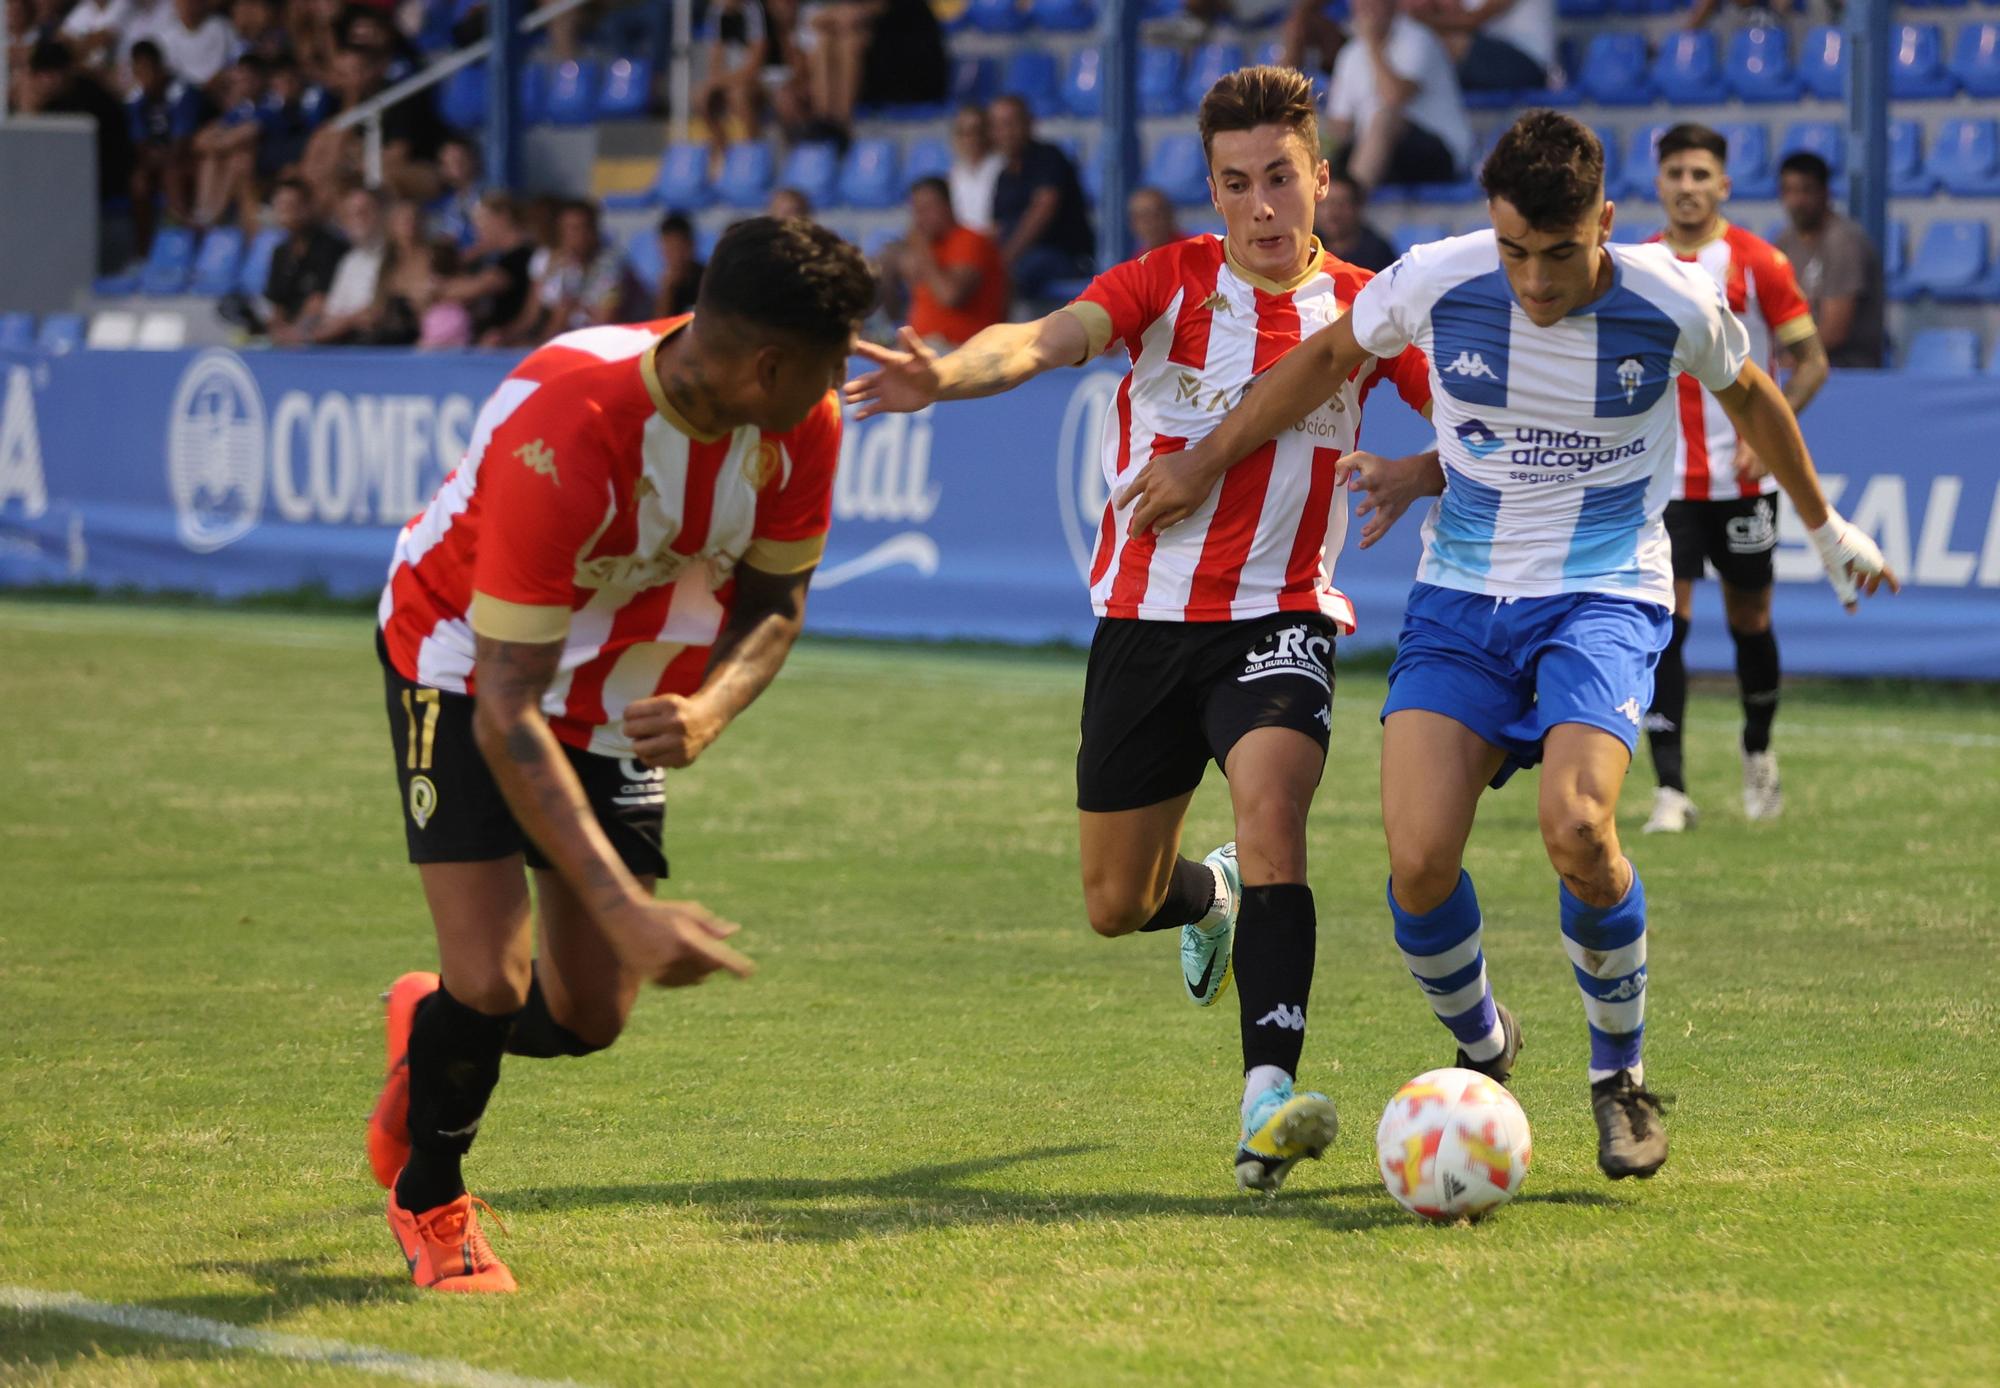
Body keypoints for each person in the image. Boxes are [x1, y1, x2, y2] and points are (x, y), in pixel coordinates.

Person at [1117, 109, 1896, 1183]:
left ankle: (1616, 1077)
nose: (1532, 279)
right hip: (1460, 604)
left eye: (1558, 252)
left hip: (1602, 596)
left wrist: (1825, 526)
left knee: (1576, 826)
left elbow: (1752, 394)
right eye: (1513, 250)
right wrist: (1206, 458)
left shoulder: (1666, 299)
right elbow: (1330, 357)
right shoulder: (1437, 278)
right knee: (1417, 861)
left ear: (1604, 226)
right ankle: (1486, 1043)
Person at [845, 67, 1434, 1194]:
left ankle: (1266, 1097)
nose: (1263, 207)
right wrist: (949, 372)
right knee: (1114, 901)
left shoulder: (1368, 307)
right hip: (1144, 623)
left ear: (1320, 176)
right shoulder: (1166, 283)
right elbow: (1036, 339)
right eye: (1236, 184)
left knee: (1273, 808)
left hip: (1281, 613)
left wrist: (1420, 468)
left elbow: (1485, 415)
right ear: (1211, 192)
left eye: (1280, 178)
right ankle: (1203, 898)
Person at [366, 217, 876, 1293]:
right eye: (830, 362)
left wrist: (710, 710)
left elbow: (776, 600)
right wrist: (627, 907)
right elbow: (506, 704)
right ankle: (431, 1201)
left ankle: (427, 1027)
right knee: (493, 978)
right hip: (460, 661)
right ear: (766, 362)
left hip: (619, 684)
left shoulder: (801, 419)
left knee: (590, 1015)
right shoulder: (566, 426)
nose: (839, 385)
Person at [1641, 123, 1829, 834]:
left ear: (1724, 183)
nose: (1688, 187)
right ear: (1659, 184)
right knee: (1668, 627)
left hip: (1744, 482)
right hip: (1666, 483)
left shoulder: (1758, 262)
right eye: (1676, 174)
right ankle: (1672, 789)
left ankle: (1758, 754)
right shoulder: (1635, 265)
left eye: (1701, 175)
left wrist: (1766, 434)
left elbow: (1810, 361)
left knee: (1751, 621)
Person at [1324, 0, 1474, 192]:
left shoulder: (1418, 39)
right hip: (1381, 157)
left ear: (1392, 5)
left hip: (1439, 152)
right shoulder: (1349, 54)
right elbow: (1340, 127)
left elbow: (1394, 96)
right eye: (1360, 3)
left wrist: (1372, 44)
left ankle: (1353, 200)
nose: (1366, 8)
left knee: (1385, 118)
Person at [1775, 151, 1884, 371]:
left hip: (1844, 372)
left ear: (1825, 192)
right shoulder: (1784, 241)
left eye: (1806, 190)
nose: (1797, 201)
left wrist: (1786, 364)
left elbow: (1834, 332)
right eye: (1789, 191)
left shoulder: (1844, 242)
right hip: (1797, 366)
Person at [989, 93, 1096, 299]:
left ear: (1029, 122)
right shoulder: (1003, 175)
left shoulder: (1049, 157)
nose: (1006, 132)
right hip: (1019, 257)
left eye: (1011, 123)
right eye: (998, 125)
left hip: (1065, 257)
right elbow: (997, 227)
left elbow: (1043, 209)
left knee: (1014, 273)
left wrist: (1005, 258)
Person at [901, 177, 1007, 348]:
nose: (921, 217)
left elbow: (950, 296)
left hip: (959, 348)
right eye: (917, 210)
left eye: (928, 208)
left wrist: (922, 251)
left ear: (948, 205)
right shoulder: (930, 244)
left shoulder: (970, 240)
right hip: (922, 345)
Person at [125, 37, 201, 253]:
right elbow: (140, 145)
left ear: (160, 68)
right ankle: (143, 251)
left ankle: (187, 246)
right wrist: (153, 159)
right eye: (138, 72)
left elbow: (182, 144)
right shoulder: (135, 99)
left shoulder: (182, 91)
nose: (144, 78)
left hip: (188, 161)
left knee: (172, 175)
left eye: (147, 70)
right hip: (157, 162)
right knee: (138, 182)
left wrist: (160, 157)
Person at [529, 199, 641, 337]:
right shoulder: (558, 264)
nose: (574, 236)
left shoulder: (611, 266)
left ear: (593, 231)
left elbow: (607, 323)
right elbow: (534, 315)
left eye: (580, 228)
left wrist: (573, 310)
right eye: (568, 229)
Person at [438, 189, 534, 345]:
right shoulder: (500, 257)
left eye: (482, 222)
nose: (478, 231)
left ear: (503, 217)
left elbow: (477, 287)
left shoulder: (521, 256)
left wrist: (437, 290)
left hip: (511, 344)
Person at [261, 174, 345, 344]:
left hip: (321, 336)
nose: (286, 212)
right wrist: (278, 330)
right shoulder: (281, 252)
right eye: (281, 206)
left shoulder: (329, 247)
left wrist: (297, 332)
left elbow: (320, 299)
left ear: (307, 207)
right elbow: (277, 304)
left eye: (292, 205)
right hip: (289, 337)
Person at [1409, 0, 1555, 94]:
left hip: (1529, 65)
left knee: (1448, 43)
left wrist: (1413, 21)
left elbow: (1473, 20)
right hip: (1484, 57)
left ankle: (1409, 88)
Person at [313, 182, 388, 343]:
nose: (359, 219)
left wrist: (345, 322)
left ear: (381, 213)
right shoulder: (350, 261)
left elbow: (375, 314)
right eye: (351, 214)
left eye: (365, 211)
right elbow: (330, 313)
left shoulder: (393, 255)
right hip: (345, 344)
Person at [1314, 170, 1396, 272]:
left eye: (1341, 204)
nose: (1332, 213)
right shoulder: (1307, 248)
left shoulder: (1378, 253)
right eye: (1325, 204)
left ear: (1357, 207)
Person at [947, 103, 1002, 235]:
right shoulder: (955, 173)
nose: (970, 139)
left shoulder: (1003, 168)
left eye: (976, 131)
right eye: (963, 133)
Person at [153, 0, 235, 87]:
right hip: (184, 94)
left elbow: (232, 61)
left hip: (221, 88)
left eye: (191, 2)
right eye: (182, 3)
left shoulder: (223, 28)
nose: (187, 7)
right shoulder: (166, 39)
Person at [655, 211, 705, 316]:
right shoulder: (664, 284)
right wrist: (667, 291)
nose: (676, 256)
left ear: (691, 245)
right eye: (669, 250)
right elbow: (661, 326)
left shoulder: (707, 279)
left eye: (679, 248)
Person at [1126, 185, 1184, 254]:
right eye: (1143, 216)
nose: (1150, 222)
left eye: (1156, 214)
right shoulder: (1138, 261)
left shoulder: (1194, 248)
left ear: (1169, 215)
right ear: (1132, 223)